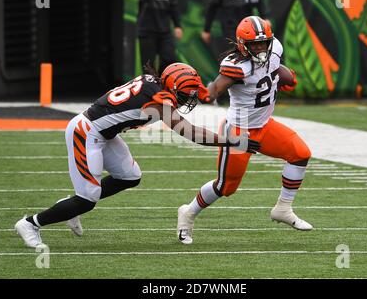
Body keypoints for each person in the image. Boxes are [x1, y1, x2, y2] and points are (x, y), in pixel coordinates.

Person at [14, 62, 260, 248]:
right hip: (86, 132)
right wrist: (232, 141)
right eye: (186, 94)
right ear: (172, 88)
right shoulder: (158, 101)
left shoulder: (154, 81)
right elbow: (191, 133)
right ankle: (30, 223)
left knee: (130, 176)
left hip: (104, 133)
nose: (189, 98)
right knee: (87, 199)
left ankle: (70, 206)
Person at [177, 16, 313, 245]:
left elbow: (274, 68)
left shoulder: (274, 49)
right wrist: (204, 93)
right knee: (225, 187)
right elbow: (215, 89)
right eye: (255, 44)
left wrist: (282, 74)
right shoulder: (237, 67)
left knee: (300, 154)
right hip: (239, 131)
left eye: (264, 43)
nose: (261, 48)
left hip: (264, 125)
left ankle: (283, 208)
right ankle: (188, 213)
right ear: (242, 44)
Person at [201, 0, 269, 47]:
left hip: (248, 25)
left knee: (251, 49)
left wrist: (265, 17)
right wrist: (206, 30)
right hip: (230, 27)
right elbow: (212, 6)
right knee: (236, 49)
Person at [136, 0, 183, 75]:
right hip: (146, 30)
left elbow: (173, 4)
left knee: (169, 59)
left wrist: (177, 25)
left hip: (165, 31)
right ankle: (151, 87)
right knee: (148, 67)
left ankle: (162, 84)